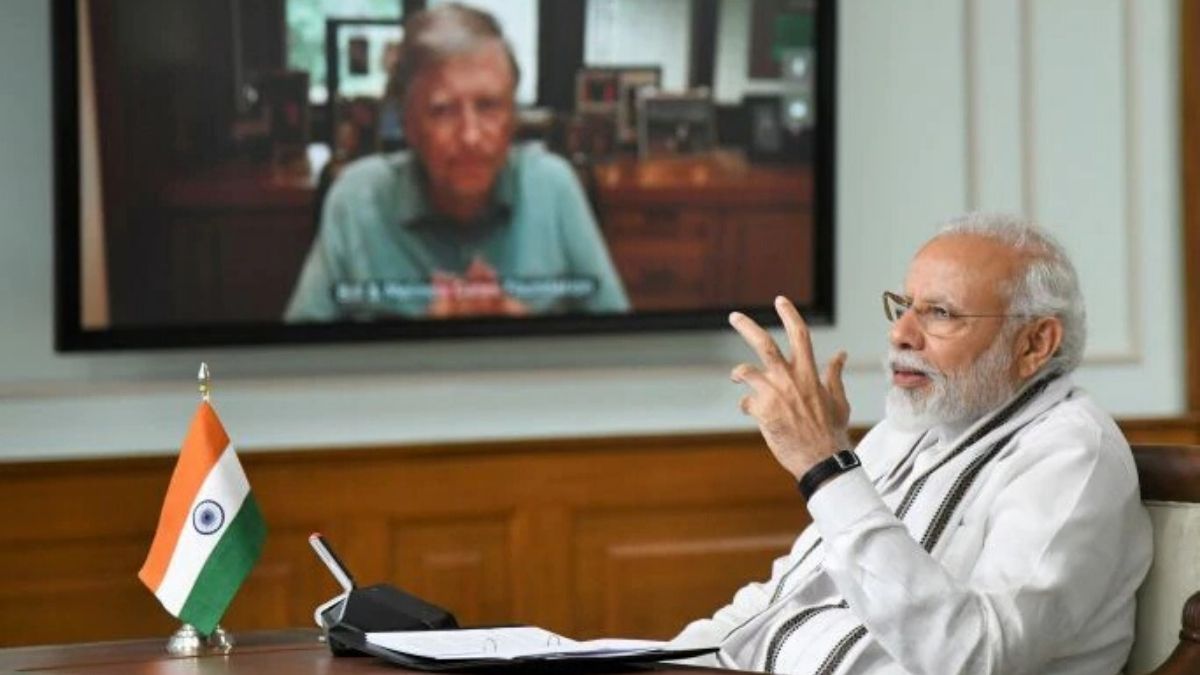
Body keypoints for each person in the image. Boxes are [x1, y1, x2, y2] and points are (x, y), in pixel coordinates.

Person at [672, 213, 1152, 674]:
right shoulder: (910, 428)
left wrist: (825, 467)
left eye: (940, 313)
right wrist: (659, 662)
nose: (900, 333)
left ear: (1034, 344)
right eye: (904, 307)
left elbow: (976, 656)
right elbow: (785, 598)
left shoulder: (1074, 454)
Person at [286, 3, 629, 322]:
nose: (470, 137)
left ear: (513, 117)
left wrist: (523, 340)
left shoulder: (553, 186)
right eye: (442, 111)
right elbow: (300, 364)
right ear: (408, 124)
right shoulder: (357, 200)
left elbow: (618, 354)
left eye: (489, 106)